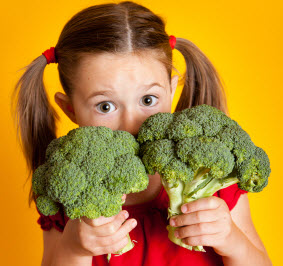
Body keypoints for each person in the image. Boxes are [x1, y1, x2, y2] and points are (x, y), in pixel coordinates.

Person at [12, 1, 271, 265]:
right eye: (105, 106)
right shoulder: (71, 192)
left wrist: (231, 239)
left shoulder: (210, 177)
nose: (131, 124)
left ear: (171, 90)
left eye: (148, 100)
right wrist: (75, 248)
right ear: (71, 110)